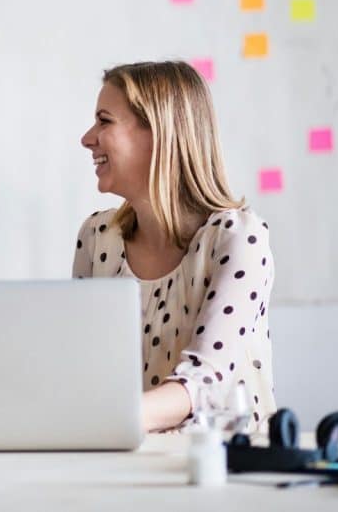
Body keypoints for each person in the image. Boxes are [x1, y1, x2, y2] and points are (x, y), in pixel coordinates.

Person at [73, 61, 275, 433]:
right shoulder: (97, 237)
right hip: (123, 464)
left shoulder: (238, 239)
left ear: (158, 133)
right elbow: (86, 375)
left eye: (105, 121)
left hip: (224, 472)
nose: (88, 138)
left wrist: (85, 421)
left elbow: (201, 386)